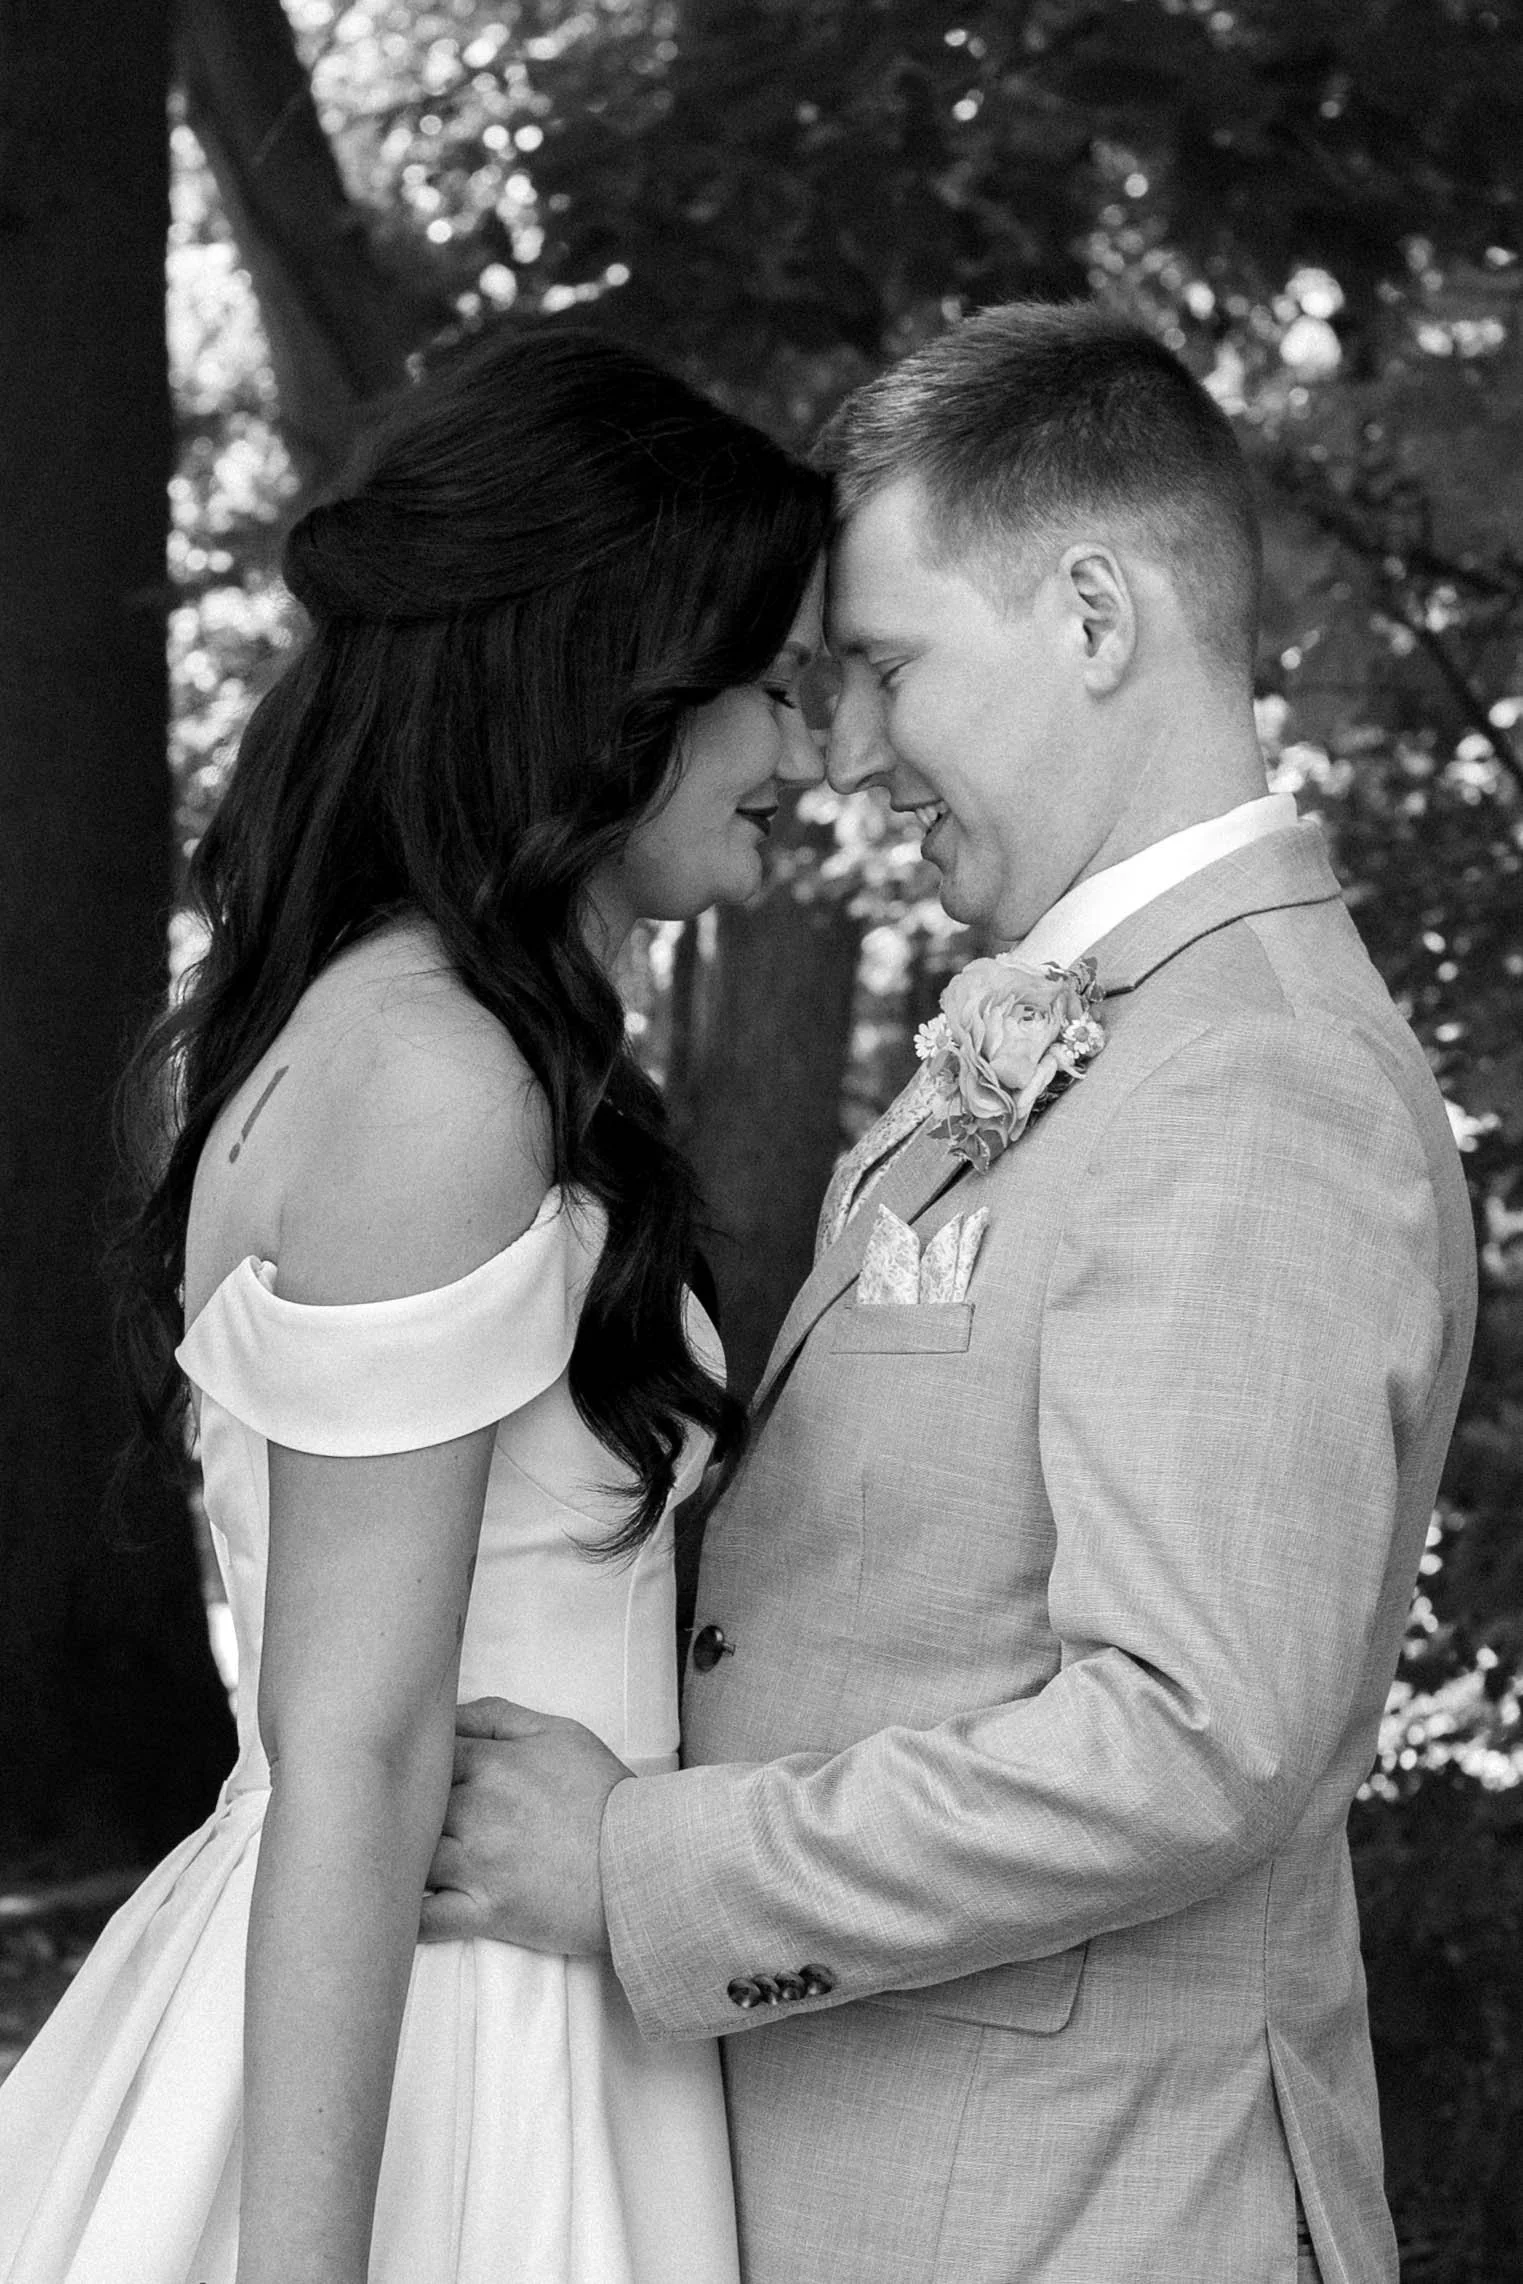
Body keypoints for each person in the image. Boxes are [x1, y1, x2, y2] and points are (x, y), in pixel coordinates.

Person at [419, 304, 1478, 2284]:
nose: (840, 749)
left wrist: (638, 1862)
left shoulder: (1254, 1076)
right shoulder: (1105, 1025)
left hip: (1083, 2215)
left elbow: (1189, 1735)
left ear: (1090, 614)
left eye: (886, 666)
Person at [0, 325, 830, 2284]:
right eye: (770, 687)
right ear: (607, 675)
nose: (806, 754)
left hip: (518, 1979)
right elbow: (355, 1750)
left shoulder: (397, 1038)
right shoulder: (432, 1083)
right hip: (452, 2047)